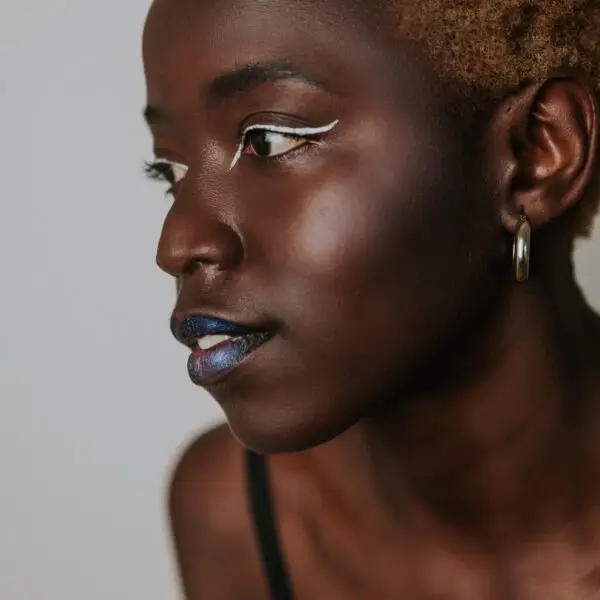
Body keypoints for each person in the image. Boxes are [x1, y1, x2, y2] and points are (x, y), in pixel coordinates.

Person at [142, 0, 600, 597]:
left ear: (537, 154)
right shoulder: (236, 516)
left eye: (270, 140)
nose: (178, 244)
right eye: (170, 170)